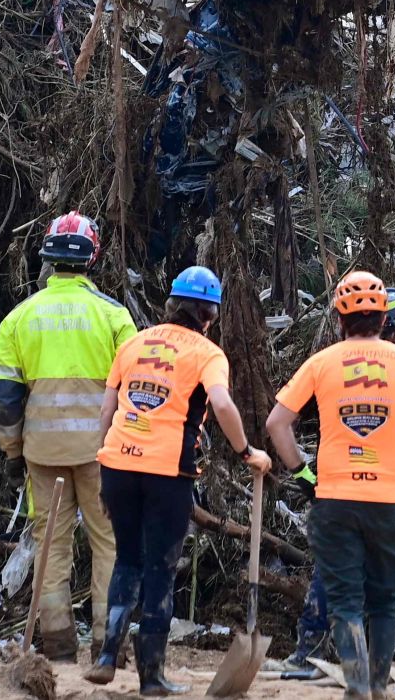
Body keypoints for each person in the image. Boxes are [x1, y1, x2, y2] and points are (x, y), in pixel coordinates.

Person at [268, 271, 395, 700]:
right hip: (389, 498)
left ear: (340, 317)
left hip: (334, 497)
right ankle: (377, 686)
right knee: (387, 598)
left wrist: (302, 474)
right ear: (382, 319)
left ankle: (355, 686)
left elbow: (277, 423)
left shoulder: (322, 362)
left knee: (344, 598)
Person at [91, 266, 270, 695]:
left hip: (117, 463)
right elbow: (223, 405)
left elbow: (106, 410)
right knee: (160, 568)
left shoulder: (134, 342)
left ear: (172, 305)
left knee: (127, 560)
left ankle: (106, 654)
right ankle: (151, 677)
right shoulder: (206, 353)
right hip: (166, 471)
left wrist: (103, 466)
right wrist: (247, 452)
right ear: (209, 313)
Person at [0, 211, 138, 662]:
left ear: (49, 259)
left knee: (50, 543)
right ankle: (106, 642)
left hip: (42, 452)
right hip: (103, 454)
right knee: (109, 543)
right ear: (92, 258)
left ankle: (55, 643)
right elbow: (136, 394)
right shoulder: (115, 317)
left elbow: (6, 399)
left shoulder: (19, 319)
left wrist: (13, 452)